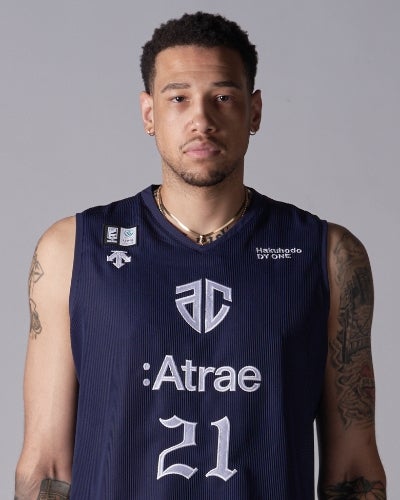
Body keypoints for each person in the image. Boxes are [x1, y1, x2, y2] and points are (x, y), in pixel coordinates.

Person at [15, 11, 386, 500]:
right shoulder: (73, 250)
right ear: (149, 113)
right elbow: (46, 463)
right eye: (179, 98)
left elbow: (353, 471)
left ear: (255, 111)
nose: (202, 120)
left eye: (223, 97)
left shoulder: (328, 256)